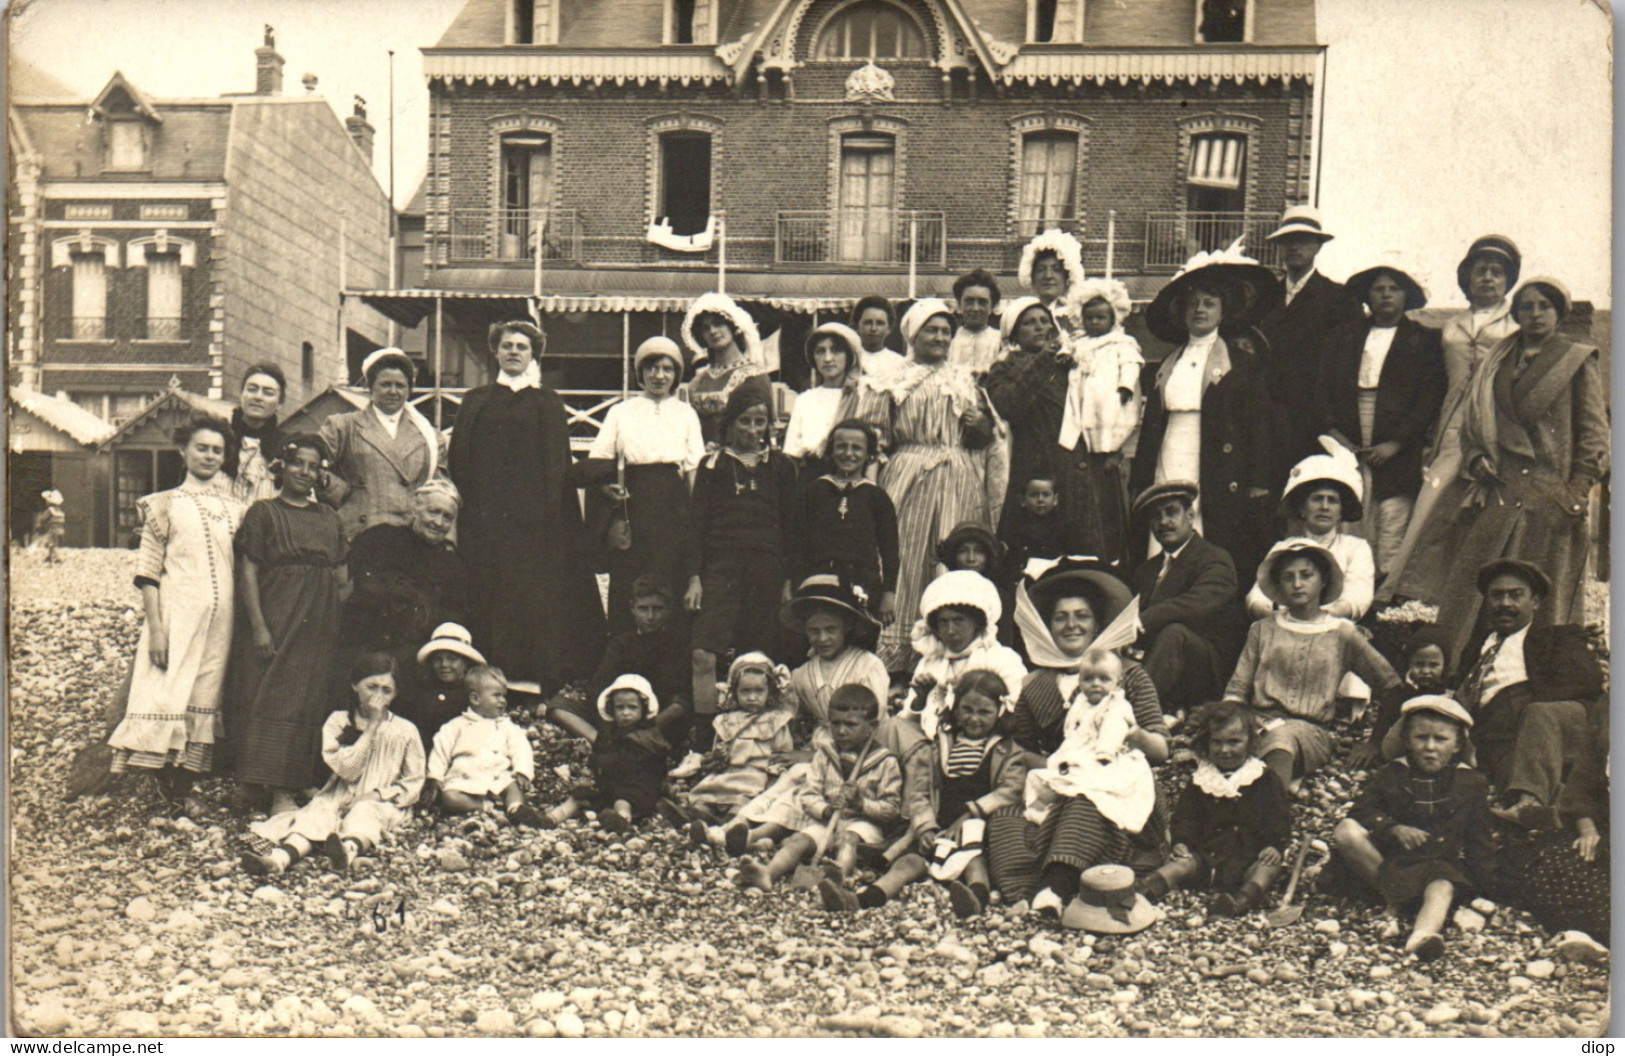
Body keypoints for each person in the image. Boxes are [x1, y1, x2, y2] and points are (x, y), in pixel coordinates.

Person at [1401, 278, 1608, 664]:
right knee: (1477, 593)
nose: (1535, 314)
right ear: (1516, 313)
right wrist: (1477, 458)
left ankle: (1544, 675)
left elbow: (1595, 437)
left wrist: (1575, 494)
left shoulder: (1576, 360)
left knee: (1546, 597)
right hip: (1498, 493)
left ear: (1559, 313)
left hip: (1551, 500)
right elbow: (1475, 424)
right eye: (1526, 307)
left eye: (1544, 306)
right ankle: (1461, 670)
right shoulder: (1498, 359)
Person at [987, 557, 1171, 902]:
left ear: (1098, 622)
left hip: (1118, 789)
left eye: (1082, 616)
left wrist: (1134, 737)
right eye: (1061, 617)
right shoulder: (1035, 684)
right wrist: (1059, 766)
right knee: (1005, 819)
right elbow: (1021, 751)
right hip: (1060, 781)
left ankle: (1056, 886)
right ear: (1048, 626)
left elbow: (1161, 749)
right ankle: (1032, 896)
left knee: (1084, 801)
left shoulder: (1128, 675)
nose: (1071, 625)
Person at [450, 320, 606, 695]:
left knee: (534, 598)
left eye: (522, 346)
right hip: (487, 523)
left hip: (535, 526)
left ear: (533, 354)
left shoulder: (547, 402)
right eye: (507, 345)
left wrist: (553, 522)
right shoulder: (476, 400)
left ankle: (537, 679)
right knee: (489, 594)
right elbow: (459, 459)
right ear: (496, 351)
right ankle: (487, 678)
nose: (514, 352)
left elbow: (557, 466)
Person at [108, 413, 245, 817]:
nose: (209, 456)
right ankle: (161, 786)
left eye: (217, 450)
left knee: (204, 694)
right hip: (176, 613)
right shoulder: (162, 504)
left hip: (222, 619)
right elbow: (148, 573)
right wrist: (156, 631)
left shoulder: (236, 509)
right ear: (183, 451)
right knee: (167, 692)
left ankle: (182, 789)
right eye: (202, 448)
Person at [819, 669, 1026, 918]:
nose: (974, 719)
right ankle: (862, 899)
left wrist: (972, 813)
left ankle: (976, 899)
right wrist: (925, 826)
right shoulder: (941, 746)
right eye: (967, 710)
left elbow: (1010, 790)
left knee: (974, 862)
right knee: (908, 863)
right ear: (956, 709)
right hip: (939, 822)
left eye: (984, 712)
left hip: (976, 826)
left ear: (1000, 712)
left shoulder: (1006, 750)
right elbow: (920, 793)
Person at [1382, 236, 1523, 601]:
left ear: (1508, 281)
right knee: (1437, 496)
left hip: (1496, 418)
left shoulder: (1517, 325)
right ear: (1467, 279)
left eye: (1496, 272)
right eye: (1480, 272)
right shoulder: (1450, 326)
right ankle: (1420, 590)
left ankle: (1489, 590)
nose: (1488, 279)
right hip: (1453, 420)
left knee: (1490, 499)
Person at [860, 299, 997, 669]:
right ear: (912, 335)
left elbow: (985, 439)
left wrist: (980, 428)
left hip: (958, 476)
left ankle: (956, 652)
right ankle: (902, 656)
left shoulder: (965, 381)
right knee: (905, 556)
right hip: (909, 475)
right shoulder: (890, 380)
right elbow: (874, 441)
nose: (939, 337)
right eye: (931, 330)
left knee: (954, 557)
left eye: (945, 332)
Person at [1133, 246, 1276, 576]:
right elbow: (1152, 425)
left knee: (1208, 525)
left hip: (1214, 458)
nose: (1200, 310)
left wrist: (1257, 480)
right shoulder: (1167, 365)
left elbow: (1258, 425)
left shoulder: (1240, 363)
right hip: (1169, 451)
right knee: (1166, 517)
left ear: (1223, 312)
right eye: (1193, 304)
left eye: (1209, 303)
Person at [229, 434, 350, 816]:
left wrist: (331, 607)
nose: (306, 472)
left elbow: (343, 572)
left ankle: (295, 780)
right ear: (282, 466)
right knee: (273, 695)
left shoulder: (329, 516)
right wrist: (260, 626)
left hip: (320, 618)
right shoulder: (263, 512)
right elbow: (248, 570)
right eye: (299, 463)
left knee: (310, 697)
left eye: (314, 466)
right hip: (279, 611)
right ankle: (270, 787)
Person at [1224, 539, 1400, 792]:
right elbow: (1238, 687)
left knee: (1281, 740)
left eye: (1306, 575)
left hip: (1309, 731)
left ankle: (1271, 812)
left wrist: (1375, 742)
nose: (1297, 584)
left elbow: (1390, 685)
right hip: (1257, 721)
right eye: (1288, 577)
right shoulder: (1262, 630)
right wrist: (1229, 721)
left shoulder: (1342, 633)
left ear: (1323, 580)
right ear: (1279, 585)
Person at [1331, 695, 1496, 961]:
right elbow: (1362, 811)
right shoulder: (1392, 774)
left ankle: (1422, 936)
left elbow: (1480, 839)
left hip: (1435, 864)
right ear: (1407, 740)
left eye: (1441, 739)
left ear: (1457, 745)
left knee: (1442, 888)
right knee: (1346, 830)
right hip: (1391, 862)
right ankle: (1398, 899)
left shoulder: (1470, 783)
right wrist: (1393, 828)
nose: (1430, 747)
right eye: (1421, 738)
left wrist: (1484, 887)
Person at [685, 376, 798, 750]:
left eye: (760, 422)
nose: (752, 430)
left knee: (757, 657)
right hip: (721, 569)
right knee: (703, 652)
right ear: (730, 423)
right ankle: (703, 741)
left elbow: (789, 525)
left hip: (766, 570)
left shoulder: (780, 467)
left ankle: (755, 740)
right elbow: (697, 524)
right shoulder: (713, 466)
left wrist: (786, 581)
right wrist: (694, 578)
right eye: (745, 421)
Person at [242, 652, 426, 876]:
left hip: (381, 801)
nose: (378, 696)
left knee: (365, 814)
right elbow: (348, 770)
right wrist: (372, 728)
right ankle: (278, 860)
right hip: (339, 794)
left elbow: (414, 782)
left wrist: (376, 795)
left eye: (386, 690)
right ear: (355, 685)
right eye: (371, 687)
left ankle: (346, 853)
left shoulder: (406, 730)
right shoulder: (338, 721)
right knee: (318, 813)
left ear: (395, 694)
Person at [1452, 559, 1604, 829]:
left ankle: (1528, 803)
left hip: (1560, 720)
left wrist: (1521, 700)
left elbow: (1588, 684)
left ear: (1534, 602)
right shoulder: (1477, 646)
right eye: (1497, 595)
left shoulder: (1557, 637)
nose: (1505, 603)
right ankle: (1555, 813)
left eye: (1515, 595)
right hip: (1499, 734)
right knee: (1510, 770)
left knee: (1537, 714)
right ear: (1487, 601)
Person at [1316, 264, 1446, 575]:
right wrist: (1337, 435)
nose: (1386, 295)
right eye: (1378, 289)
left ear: (1406, 296)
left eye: (1394, 289)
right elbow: (1323, 387)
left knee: (1392, 517)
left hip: (1398, 442)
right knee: (1352, 516)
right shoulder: (1343, 337)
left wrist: (1396, 442)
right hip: (1348, 435)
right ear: (1368, 296)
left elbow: (1429, 396)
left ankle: (1386, 593)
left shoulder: (1423, 339)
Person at [578, 335, 705, 635]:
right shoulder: (621, 411)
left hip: (673, 504)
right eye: (651, 368)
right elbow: (599, 460)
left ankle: (669, 659)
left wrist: (693, 514)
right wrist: (608, 487)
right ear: (640, 372)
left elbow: (694, 469)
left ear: (676, 374)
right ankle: (624, 652)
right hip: (632, 503)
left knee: (669, 578)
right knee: (628, 580)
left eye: (666, 369)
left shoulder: (686, 413)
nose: (659, 375)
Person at [985, 295, 1120, 561]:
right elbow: (1008, 406)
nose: (1040, 327)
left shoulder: (1070, 365)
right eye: (1029, 323)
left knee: (1083, 550)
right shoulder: (1004, 368)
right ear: (1013, 334)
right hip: (1036, 472)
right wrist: (1045, 360)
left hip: (1078, 471)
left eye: (1045, 321)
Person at [733, 684, 902, 892]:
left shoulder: (885, 762)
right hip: (826, 821)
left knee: (848, 839)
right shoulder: (825, 754)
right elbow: (809, 794)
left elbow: (892, 810)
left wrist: (861, 804)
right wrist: (826, 809)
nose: (841, 731)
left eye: (851, 725)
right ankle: (769, 873)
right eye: (836, 724)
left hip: (862, 825)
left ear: (872, 726)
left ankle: (838, 879)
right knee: (798, 840)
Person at [1020, 650, 1157, 894]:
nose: (1095, 685)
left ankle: (1056, 886)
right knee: (1040, 779)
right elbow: (1072, 734)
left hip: (1109, 759)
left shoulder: (1116, 705)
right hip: (1081, 755)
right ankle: (1045, 816)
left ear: (1117, 682)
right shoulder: (1080, 703)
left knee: (1086, 791)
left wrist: (1104, 752)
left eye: (1103, 679)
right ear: (1080, 681)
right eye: (1088, 679)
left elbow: (1112, 733)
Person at [1140, 700, 1292, 917]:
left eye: (1234, 742)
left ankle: (1242, 900)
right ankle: (1147, 889)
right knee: (1180, 864)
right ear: (1206, 744)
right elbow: (1185, 816)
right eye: (1217, 742)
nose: (1224, 750)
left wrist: (1274, 845)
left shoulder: (1263, 778)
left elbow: (1278, 816)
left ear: (1250, 743)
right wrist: (1181, 841)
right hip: (1206, 858)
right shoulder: (1202, 779)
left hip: (1247, 856)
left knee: (1268, 869)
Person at [1255, 206, 1364, 481]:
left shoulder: (1339, 300)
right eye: (1287, 241)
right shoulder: (1264, 300)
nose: (1294, 247)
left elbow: (1348, 368)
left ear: (1317, 246)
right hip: (1267, 424)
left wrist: (1331, 423)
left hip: (1315, 425)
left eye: (1302, 240)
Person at [1128, 482, 1244, 717]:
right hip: (1158, 664)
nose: (1163, 522)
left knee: (1174, 633)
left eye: (1171, 512)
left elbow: (1196, 604)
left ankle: (1130, 714)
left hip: (1203, 670)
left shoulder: (1214, 559)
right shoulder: (1146, 570)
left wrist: (1143, 621)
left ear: (1190, 516)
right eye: (1155, 516)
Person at [341, 479, 469, 690]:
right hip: (368, 649)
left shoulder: (452, 565)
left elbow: (452, 617)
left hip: (417, 660)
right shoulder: (380, 539)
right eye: (433, 512)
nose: (438, 522)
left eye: (447, 517)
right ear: (415, 509)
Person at [320, 349, 447, 540]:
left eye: (400, 385)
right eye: (386, 384)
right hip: (359, 534)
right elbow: (311, 464)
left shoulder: (430, 438)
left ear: (409, 389)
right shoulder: (343, 426)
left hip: (411, 537)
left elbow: (443, 491)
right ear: (370, 386)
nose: (393, 392)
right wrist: (344, 494)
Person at [661, 653, 796, 830]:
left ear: (770, 692)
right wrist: (719, 756)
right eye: (745, 691)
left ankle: (731, 826)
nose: (752, 697)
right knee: (706, 797)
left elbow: (782, 756)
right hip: (727, 774)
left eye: (759, 691)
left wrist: (773, 779)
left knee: (741, 806)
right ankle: (697, 817)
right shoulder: (726, 721)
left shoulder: (776, 721)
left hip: (754, 776)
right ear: (734, 692)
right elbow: (720, 749)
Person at [1246, 439, 1375, 624]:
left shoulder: (1356, 548)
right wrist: (1276, 618)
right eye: (1317, 499)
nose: (1324, 507)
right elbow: (1257, 597)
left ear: (1340, 512)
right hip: (1286, 630)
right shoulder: (1284, 548)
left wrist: (1315, 620)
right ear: (1302, 508)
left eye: (1332, 501)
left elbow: (1357, 596)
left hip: (1336, 631)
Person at [541, 674, 686, 832]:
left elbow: (627, 762)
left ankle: (622, 821)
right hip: (611, 787)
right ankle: (550, 819)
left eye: (632, 707)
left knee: (622, 801)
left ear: (644, 709)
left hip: (639, 790)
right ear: (612, 709)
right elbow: (603, 755)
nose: (625, 713)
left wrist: (599, 761)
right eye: (620, 707)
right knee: (578, 798)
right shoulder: (611, 734)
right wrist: (593, 759)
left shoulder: (646, 736)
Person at [552, 575, 690, 738]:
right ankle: (600, 742)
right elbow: (598, 686)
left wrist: (651, 724)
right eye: (643, 609)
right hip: (619, 712)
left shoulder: (676, 644)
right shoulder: (621, 643)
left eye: (657, 609)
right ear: (632, 608)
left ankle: (640, 739)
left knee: (679, 707)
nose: (650, 617)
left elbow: (680, 694)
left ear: (668, 608)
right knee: (558, 707)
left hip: (656, 717)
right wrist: (609, 723)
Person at [901, 570, 1027, 740]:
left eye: (958, 621)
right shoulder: (929, 662)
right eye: (943, 622)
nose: (950, 631)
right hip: (930, 751)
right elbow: (909, 723)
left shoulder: (1002, 659)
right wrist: (920, 700)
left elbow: (1017, 714)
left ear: (976, 622)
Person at [795, 419, 898, 625]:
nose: (848, 453)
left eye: (857, 448)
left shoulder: (876, 496)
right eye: (841, 446)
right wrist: (793, 583)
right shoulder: (814, 491)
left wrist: (889, 593)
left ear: (869, 453)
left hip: (864, 583)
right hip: (819, 579)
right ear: (831, 450)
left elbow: (890, 550)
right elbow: (797, 543)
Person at [423, 664, 544, 826]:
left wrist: (522, 771)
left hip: (497, 776)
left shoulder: (506, 726)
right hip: (465, 779)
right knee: (450, 798)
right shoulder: (455, 726)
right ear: (475, 699)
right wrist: (435, 777)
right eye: (497, 696)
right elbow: (440, 752)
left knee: (512, 787)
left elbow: (521, 748)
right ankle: (485, 806)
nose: (503, 701)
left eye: (504, 696)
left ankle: (516, 809)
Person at [1349, 628, 1452, 769]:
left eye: (1433, 665)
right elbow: (1385, 718)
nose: (1426, 671)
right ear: (1409, 664)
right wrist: (1374, 743)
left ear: (1444, 666)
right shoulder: (1400, 693)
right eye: (1419, 664)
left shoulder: (1447, 697)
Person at [681, 292, 774, 447]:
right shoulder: (699, 380)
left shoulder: (754, 376)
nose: (713, 331)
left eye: (718, 323)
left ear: (732, 326)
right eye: (706, 328)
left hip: (737, 462)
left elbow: (762, 430)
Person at [784, 323, 865, 470]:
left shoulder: (862, 396)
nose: (827, 358)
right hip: (812, 478)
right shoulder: (805, 400)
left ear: (849, 356)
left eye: (835, 351)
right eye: (820, 351)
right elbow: (792, 453)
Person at [401, 623, 485, 754]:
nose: (444, 665)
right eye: (438, 659)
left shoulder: (475, 695)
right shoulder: (421, 694)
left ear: (465, 663)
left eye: (452, 659)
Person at [225, 362, 288, 504]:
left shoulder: (285, 447)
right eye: (252, 389)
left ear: (280, 403)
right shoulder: (221, 439)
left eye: (268, 393)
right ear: (241, 394)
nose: (258, 397)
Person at [997, 475, 1077, 583]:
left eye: (1046, 495)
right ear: (1023, 500)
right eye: (1034, 495)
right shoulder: (1015, 531)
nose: (1040, 500)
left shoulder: (1065, 530)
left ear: (1055, 499)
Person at [1017, 228, 1088, 318]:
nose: (1048, 276)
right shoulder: (1022, 315)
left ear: (1067, 278)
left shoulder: (1078, 316)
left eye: (1056, 269)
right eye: (1041, 269)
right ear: (1032, 278)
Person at [948, 269, 1004, 373]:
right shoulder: (949, 339)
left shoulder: (1000, 341)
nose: (975, 308)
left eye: (982, 302)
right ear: (959, 304)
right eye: (969, 301)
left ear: (992, 306)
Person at [850, 295, 906, 382]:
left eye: (880, 323)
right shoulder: (849, 359)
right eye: (868, 322)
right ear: (857, 325)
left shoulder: (900, 363)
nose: (873, 328)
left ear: (889, 328)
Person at [32, 489, 65, 563]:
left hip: (53, 530)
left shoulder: (50, 510)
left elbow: (43, 518)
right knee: (54, 543)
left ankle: (56, 558)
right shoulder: (60, 511)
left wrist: (39, 524)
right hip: (60, 530)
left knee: (51, 544)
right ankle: (50, 556)